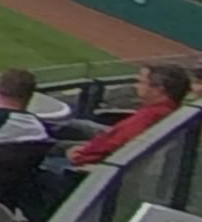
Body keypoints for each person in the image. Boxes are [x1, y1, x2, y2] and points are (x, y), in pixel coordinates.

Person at [64, 63, 192, 168]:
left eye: (141, 82)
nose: (136, 86)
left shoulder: (151, 117)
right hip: (101, 151)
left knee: (58, 146)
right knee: (74, 125)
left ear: (159, 89)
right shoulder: (166, 111)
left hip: (91, 166)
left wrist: (79, 156)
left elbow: (114, 148)